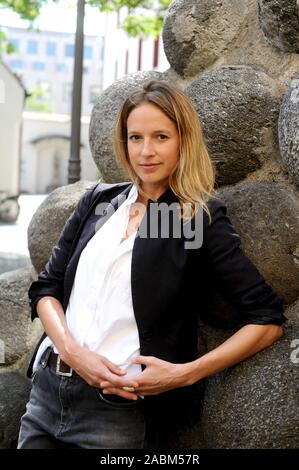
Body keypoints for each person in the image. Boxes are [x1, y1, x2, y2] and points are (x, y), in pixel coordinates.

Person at [17, 79, 286, 449]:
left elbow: (266, 319)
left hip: (117, 413)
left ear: (183, 141)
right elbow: (46, 288)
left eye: (161, 137)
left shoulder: (193, 220)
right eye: (135, 137)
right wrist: (73, 353)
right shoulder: (99, 202)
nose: (146, 151)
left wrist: (186, 374)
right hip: (46, 393)